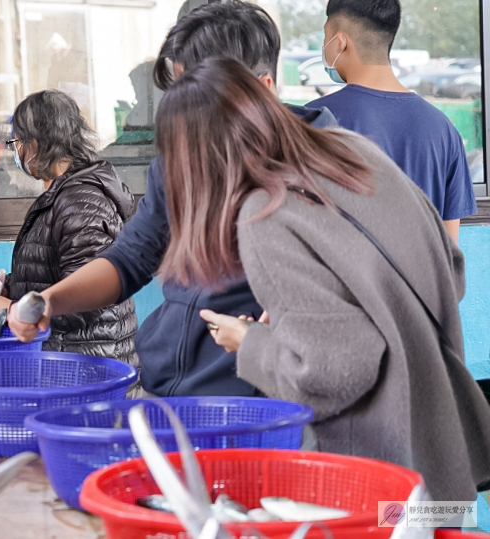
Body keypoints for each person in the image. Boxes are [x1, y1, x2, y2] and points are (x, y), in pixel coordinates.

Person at [162, 57, 490, 501]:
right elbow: (451, 272)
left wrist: (248, 342)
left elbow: (336, 372)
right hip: (447, 461)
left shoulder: (265, 214)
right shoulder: (352, 151)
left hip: (375, 490)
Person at [7, 0, 336, 397]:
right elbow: (130, 259)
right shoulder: (180, 162)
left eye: (202, 98)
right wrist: (49, 300)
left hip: (253, 401)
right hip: (163, 389)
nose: (185, 114)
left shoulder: (324, 174)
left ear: (263, 91)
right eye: (180, 94)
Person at [0, 90, 138, 364]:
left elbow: (87, 298)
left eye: (18, 142)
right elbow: (57, 270)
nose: (17, 151)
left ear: (36, 144)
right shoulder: (64, 194)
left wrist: (12, 308)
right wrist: (14, 286)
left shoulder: (80, 203)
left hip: (90, 368)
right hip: (69, 361)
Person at [307, 0, 475, 242]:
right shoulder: (444, 129)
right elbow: (450, 249)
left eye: (326, 36)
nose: (325, 45)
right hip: (422, 284)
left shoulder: (312, 120)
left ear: (340, 42)